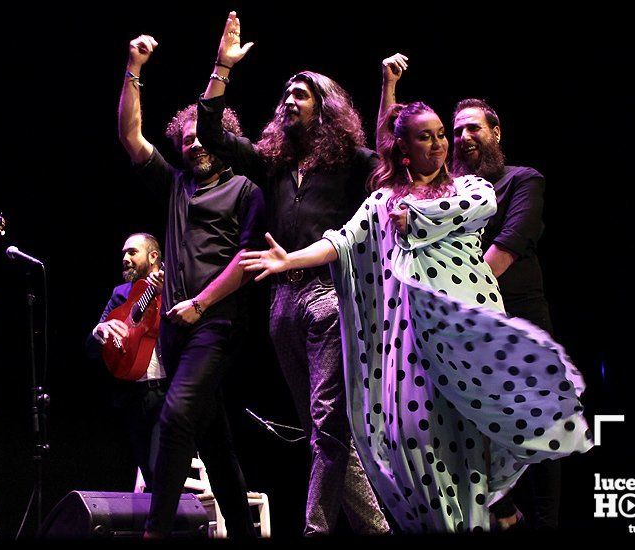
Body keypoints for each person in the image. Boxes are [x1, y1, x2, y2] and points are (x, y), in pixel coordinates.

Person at [240, 96, 592, 532]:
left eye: (442, 134)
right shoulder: (382, 202)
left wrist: (416, 216)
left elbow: (474, 210)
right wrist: (290, 260)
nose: (441, 144)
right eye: (427, 137)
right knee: (418, 442)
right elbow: (343, 241)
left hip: (468, 334)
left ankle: (482, 521)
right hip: (411, 342)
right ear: (404, 149)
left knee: (473, 448)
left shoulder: (470, 188)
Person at [196, 11, 389, 536]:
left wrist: (389, 87)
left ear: (324, 107)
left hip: (329, 295)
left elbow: (391, 160)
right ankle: (377, 530)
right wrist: (222, 67)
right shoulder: (274, 163)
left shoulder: (351, 160)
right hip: (282, 302)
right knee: (321, 431)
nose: (289, 101)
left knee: (328, 426)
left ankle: (313, 530)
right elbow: (210, 131)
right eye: (286, 94)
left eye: (301, 94)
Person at [118, 33, 265, 538]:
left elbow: (247, 261)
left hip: (218, 324)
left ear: (220, 136)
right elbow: (132, 138)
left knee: (178, 417)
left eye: (203, 136)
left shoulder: (245, 190)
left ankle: (156, 531)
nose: (194, 143)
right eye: (187, 138)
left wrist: (201, 304)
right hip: (178, 330)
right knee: (214, 436)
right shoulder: (177, 185)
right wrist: (133, 68)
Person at [452, 97, 561, 529]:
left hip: (519, 318)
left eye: (473, 128)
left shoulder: (522, 180)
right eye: (457, 130)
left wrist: (460, 294)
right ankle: (503, 512)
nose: (464, 137)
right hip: (466, 328)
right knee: (474, 426)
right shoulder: (448, 194)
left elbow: (511, 242)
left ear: (496, 132)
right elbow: (392, 149)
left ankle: (545, 523)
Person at [85, 232, 166, 491]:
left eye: (132, 252)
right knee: (149, 473)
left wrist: (168, 294)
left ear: (153, 257)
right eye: (124, 253)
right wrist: (99, 331)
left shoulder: (172, 285)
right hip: (132, 396)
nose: (125, 258)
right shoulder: (120, 294)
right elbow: (91, 349)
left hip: (168, 392)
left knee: (159, 470)